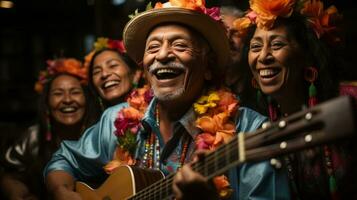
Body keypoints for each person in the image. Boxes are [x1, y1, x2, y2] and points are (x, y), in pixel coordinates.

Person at [44, 1, 290, 200]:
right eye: (153, 48)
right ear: (145, 68)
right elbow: (64, 159)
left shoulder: (249, 130)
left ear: (207, 67)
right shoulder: (116, 120)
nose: (162, 55)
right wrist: (62, 191)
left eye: (179, 45)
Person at [234, 0, 356, 199]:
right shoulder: (258, 122)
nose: (264, 56)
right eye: (256, 47)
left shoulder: (350, 100)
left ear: (305, 55)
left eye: (277, 44)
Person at [0, 58, 96, 200]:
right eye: (58, 93)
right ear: (47, 103)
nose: (67, 99)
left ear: (86, 100)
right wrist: (17, 193)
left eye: (75, 92)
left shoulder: (100, 135)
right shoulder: (33, 136)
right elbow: (9, 174)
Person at [84, 38, 143, 112]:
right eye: (97, 71)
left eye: (113, 65)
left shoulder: (155, 114)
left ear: (135, 75)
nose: (104, 74)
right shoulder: (98, 122)